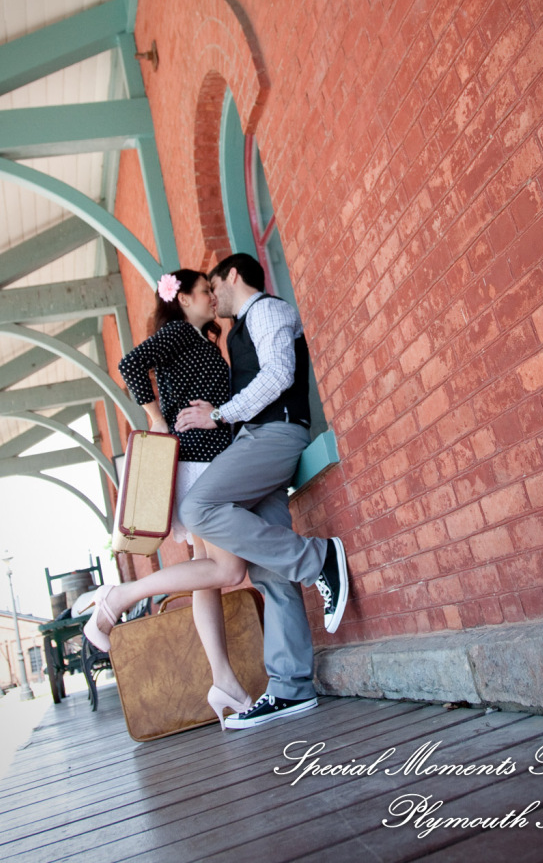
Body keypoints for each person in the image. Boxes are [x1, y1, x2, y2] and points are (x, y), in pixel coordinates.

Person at [174, 253, 349, 729]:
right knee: (271, 571)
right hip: (255, 439)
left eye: (215, 286)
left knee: (198, 507)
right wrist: (223, 408)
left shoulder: (269, 311)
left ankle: (318, 559)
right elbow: (257, 384)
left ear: (234, 276)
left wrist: (220, 414)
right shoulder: (239, 331)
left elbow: (279, 377)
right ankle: (292, 688)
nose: (213, 297)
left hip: (277, 435)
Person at [82, 269, 252, 728]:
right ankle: (120, 597)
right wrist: (157, 418)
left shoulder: (199, 339)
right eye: (204, 292)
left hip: (208, 462)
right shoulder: (178, 332)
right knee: (229, 568)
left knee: (209, 576)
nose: (212, 298)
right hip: (197, 465)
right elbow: (131, 364)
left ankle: (223, 682)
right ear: (183, 300)